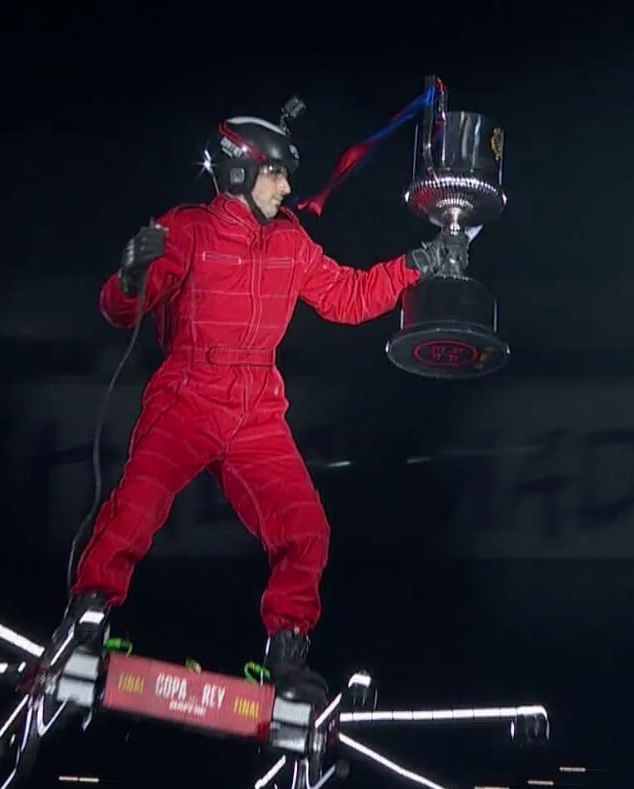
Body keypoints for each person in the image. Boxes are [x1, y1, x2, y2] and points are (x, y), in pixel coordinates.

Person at [42, 111, 467, 706]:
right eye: (274, 175)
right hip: (189, 393)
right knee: (136, 505)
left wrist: (419, 262)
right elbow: (121, 310)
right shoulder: (187, 230)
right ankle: (86, 619)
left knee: (305, 528)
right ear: (239, 173)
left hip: (256, 410)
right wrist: (132, 276)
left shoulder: (290, 241)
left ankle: (287, 656)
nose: (287, 188)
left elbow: (347, 297)